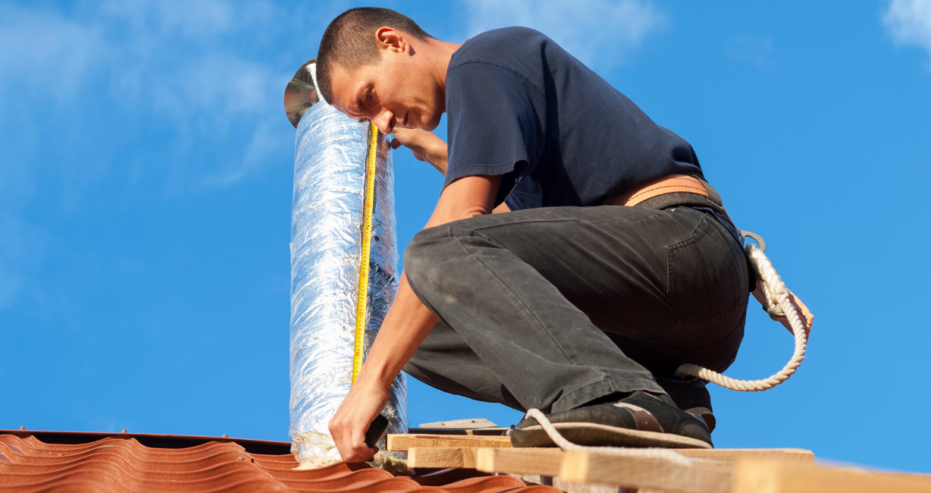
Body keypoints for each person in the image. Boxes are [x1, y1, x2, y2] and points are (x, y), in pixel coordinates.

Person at [317, 7, 751, 463]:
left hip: (683, 248)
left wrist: (372, 380)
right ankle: (659, 403)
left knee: (433, 257)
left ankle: (600, 394)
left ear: (392, 41)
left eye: (371, 97)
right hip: (659, 328)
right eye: (367, 119)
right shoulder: (500, 119)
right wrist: (442, 155)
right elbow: (500, 250)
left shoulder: (482, 60)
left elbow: (459, 225)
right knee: (420, 335)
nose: (383, 122)